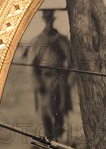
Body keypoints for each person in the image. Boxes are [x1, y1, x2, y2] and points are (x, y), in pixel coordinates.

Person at [27, 9, 73, 140]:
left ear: (54, 20)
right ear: (43, 20)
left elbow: (71, 60)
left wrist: (68, 79)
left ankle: (59, 140)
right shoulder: (37, 40)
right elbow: (32, 65)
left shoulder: (62, 39)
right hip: (45, 80)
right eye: (47, 19)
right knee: (46, 110)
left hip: (60, 79)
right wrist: (37, 84)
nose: (49, 22)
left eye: (51, 19)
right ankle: (49, 139)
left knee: (61, 108)